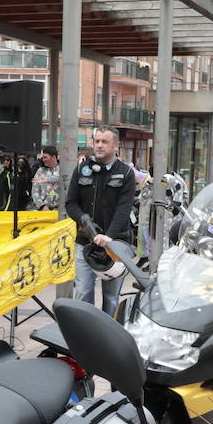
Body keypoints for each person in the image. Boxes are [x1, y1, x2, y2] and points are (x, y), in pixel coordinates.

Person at [64, 126, 136, 315]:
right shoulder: (82, 169)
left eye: (105, 142)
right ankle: (85, 337)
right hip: (85, 244)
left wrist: (108, 237)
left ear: (115, 146)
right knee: (83, 293)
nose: (99, 145)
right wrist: (84, 221)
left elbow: (123, 210)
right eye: (97, 141)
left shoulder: (126, 173)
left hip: (116, 245)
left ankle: (109, 340)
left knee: (111, 298)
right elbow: (70, 203)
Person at [31, 146, 61, 211]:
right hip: (43, 210)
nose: (43, 159)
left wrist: (47, 179)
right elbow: (35, 191)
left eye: (45, 157)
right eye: (43, 157)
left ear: (54, 157)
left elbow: (64, 179)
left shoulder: (63, 170)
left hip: (60, 211)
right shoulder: (40, 171)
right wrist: (42, 206)